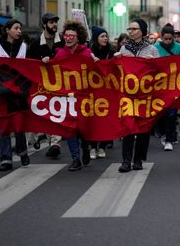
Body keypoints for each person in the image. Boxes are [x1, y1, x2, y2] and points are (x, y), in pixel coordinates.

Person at [0, 19, 31, 171]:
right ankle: (5, 158)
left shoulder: (25, 48)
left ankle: (22, 151)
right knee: (4, 126)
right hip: (1, 93)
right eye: (16, 28)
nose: (19, 31)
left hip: (19, 93)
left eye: (20, 28)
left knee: (19, 125)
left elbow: (31, 69)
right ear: (7, 30)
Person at [54, 21, 96, 171]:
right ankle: (75, 158)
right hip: (67, 98)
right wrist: (47, 62)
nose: (69, 38)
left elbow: (96, 74)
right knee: (70, 128)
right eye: (66, 35)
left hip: (84, 97)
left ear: (78, 38)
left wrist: (97, 63)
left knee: (83, 128)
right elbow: (52, 74)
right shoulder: (60, 54)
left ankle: (85, 146)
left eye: (72, 35)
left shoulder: (87, 53)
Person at [117, 19, 158, 172]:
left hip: (145, 96)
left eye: (134, 29)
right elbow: (117, 71)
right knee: (128, 126)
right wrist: (116, 60)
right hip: (128, 95)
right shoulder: (123, 49)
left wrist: (153, 63)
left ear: (142, 31)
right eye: (130, 29)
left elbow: (160, 72)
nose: (131, 31)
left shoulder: (152, 50)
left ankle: (139, 159)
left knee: (143, 128)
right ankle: (126, 161)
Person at [27, 13, 64, 158]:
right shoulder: (35, 44)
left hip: (60, 84)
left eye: (55, 22)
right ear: (44, 25)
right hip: (41, 85)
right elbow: (28, 63)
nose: (54, 24)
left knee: (56, 112)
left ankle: (55, 143)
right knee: (45, 113)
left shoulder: (62, 42)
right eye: (51, 22)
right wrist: (40, 61)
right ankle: (47, 139)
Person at [154, 24, 180, 151]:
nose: (167, 41)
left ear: (173, 38)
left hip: (174, 84)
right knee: (161, 113)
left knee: (172, 113)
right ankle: (163, 133)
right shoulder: (155, 47)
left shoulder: (179, 47)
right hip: (160, 85)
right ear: (161, 37)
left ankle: (169, 139)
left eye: (170, 39)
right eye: (165, 39)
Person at [88, 26, 119, 159]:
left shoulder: (111, 51)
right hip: (93, 90)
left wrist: (116, 59)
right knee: (94, 119)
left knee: (107, 119)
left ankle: (102, 147)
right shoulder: (89, 52)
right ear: (96, 38)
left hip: (108, 90)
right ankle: (93, 147)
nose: (105, 38)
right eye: (102, 36)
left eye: (106, 36)